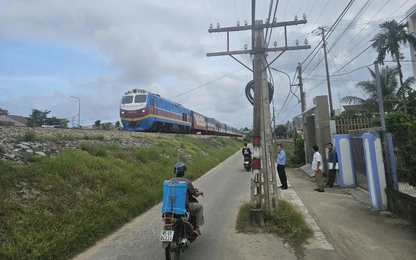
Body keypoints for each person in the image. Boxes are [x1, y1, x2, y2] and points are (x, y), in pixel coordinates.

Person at [170, 162, 204, 236]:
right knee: (200, 207)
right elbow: (194, 194)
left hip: (170, 207)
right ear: (183, 171)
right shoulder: (186, 181)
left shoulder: (170, 181)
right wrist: (201, 192)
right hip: (184, 207)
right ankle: (197, 229)